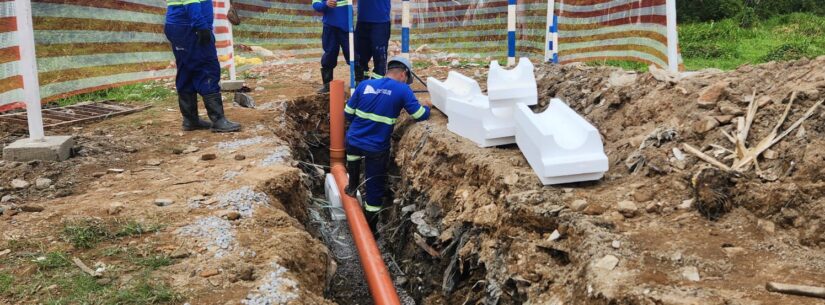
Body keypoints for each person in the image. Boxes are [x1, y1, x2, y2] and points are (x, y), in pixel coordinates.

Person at [344, 57, 430, 234]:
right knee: (374, 189)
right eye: (407, 78)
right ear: (404, 74)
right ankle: (371, 233)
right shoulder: (402, 89)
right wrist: (428, 107)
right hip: (376, 147)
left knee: (353, 158)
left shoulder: (364, 85)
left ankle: (352, 187)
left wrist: (364, 122)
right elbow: (420, 114)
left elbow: (348, 114)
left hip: (353, 140)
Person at [165, 0, 241, 132]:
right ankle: (218, 120)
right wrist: (201, 26)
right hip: (190, 27)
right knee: (208, 68)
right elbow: (191, 1)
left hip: (176, 25)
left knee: (186, 69)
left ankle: (190, 119)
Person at [313, 0, 351, 93]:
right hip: (329, 27)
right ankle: (327, 85)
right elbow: (316, 5)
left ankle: (358, 82)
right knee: (330, 53)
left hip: (347, 27)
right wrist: (325, 4)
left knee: (352, 54)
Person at [354, 0, 391, 82]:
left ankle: (377, 84)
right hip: (362, 20)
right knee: (360, 55)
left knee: (379, 55)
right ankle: (361, 82)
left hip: (380, 21)